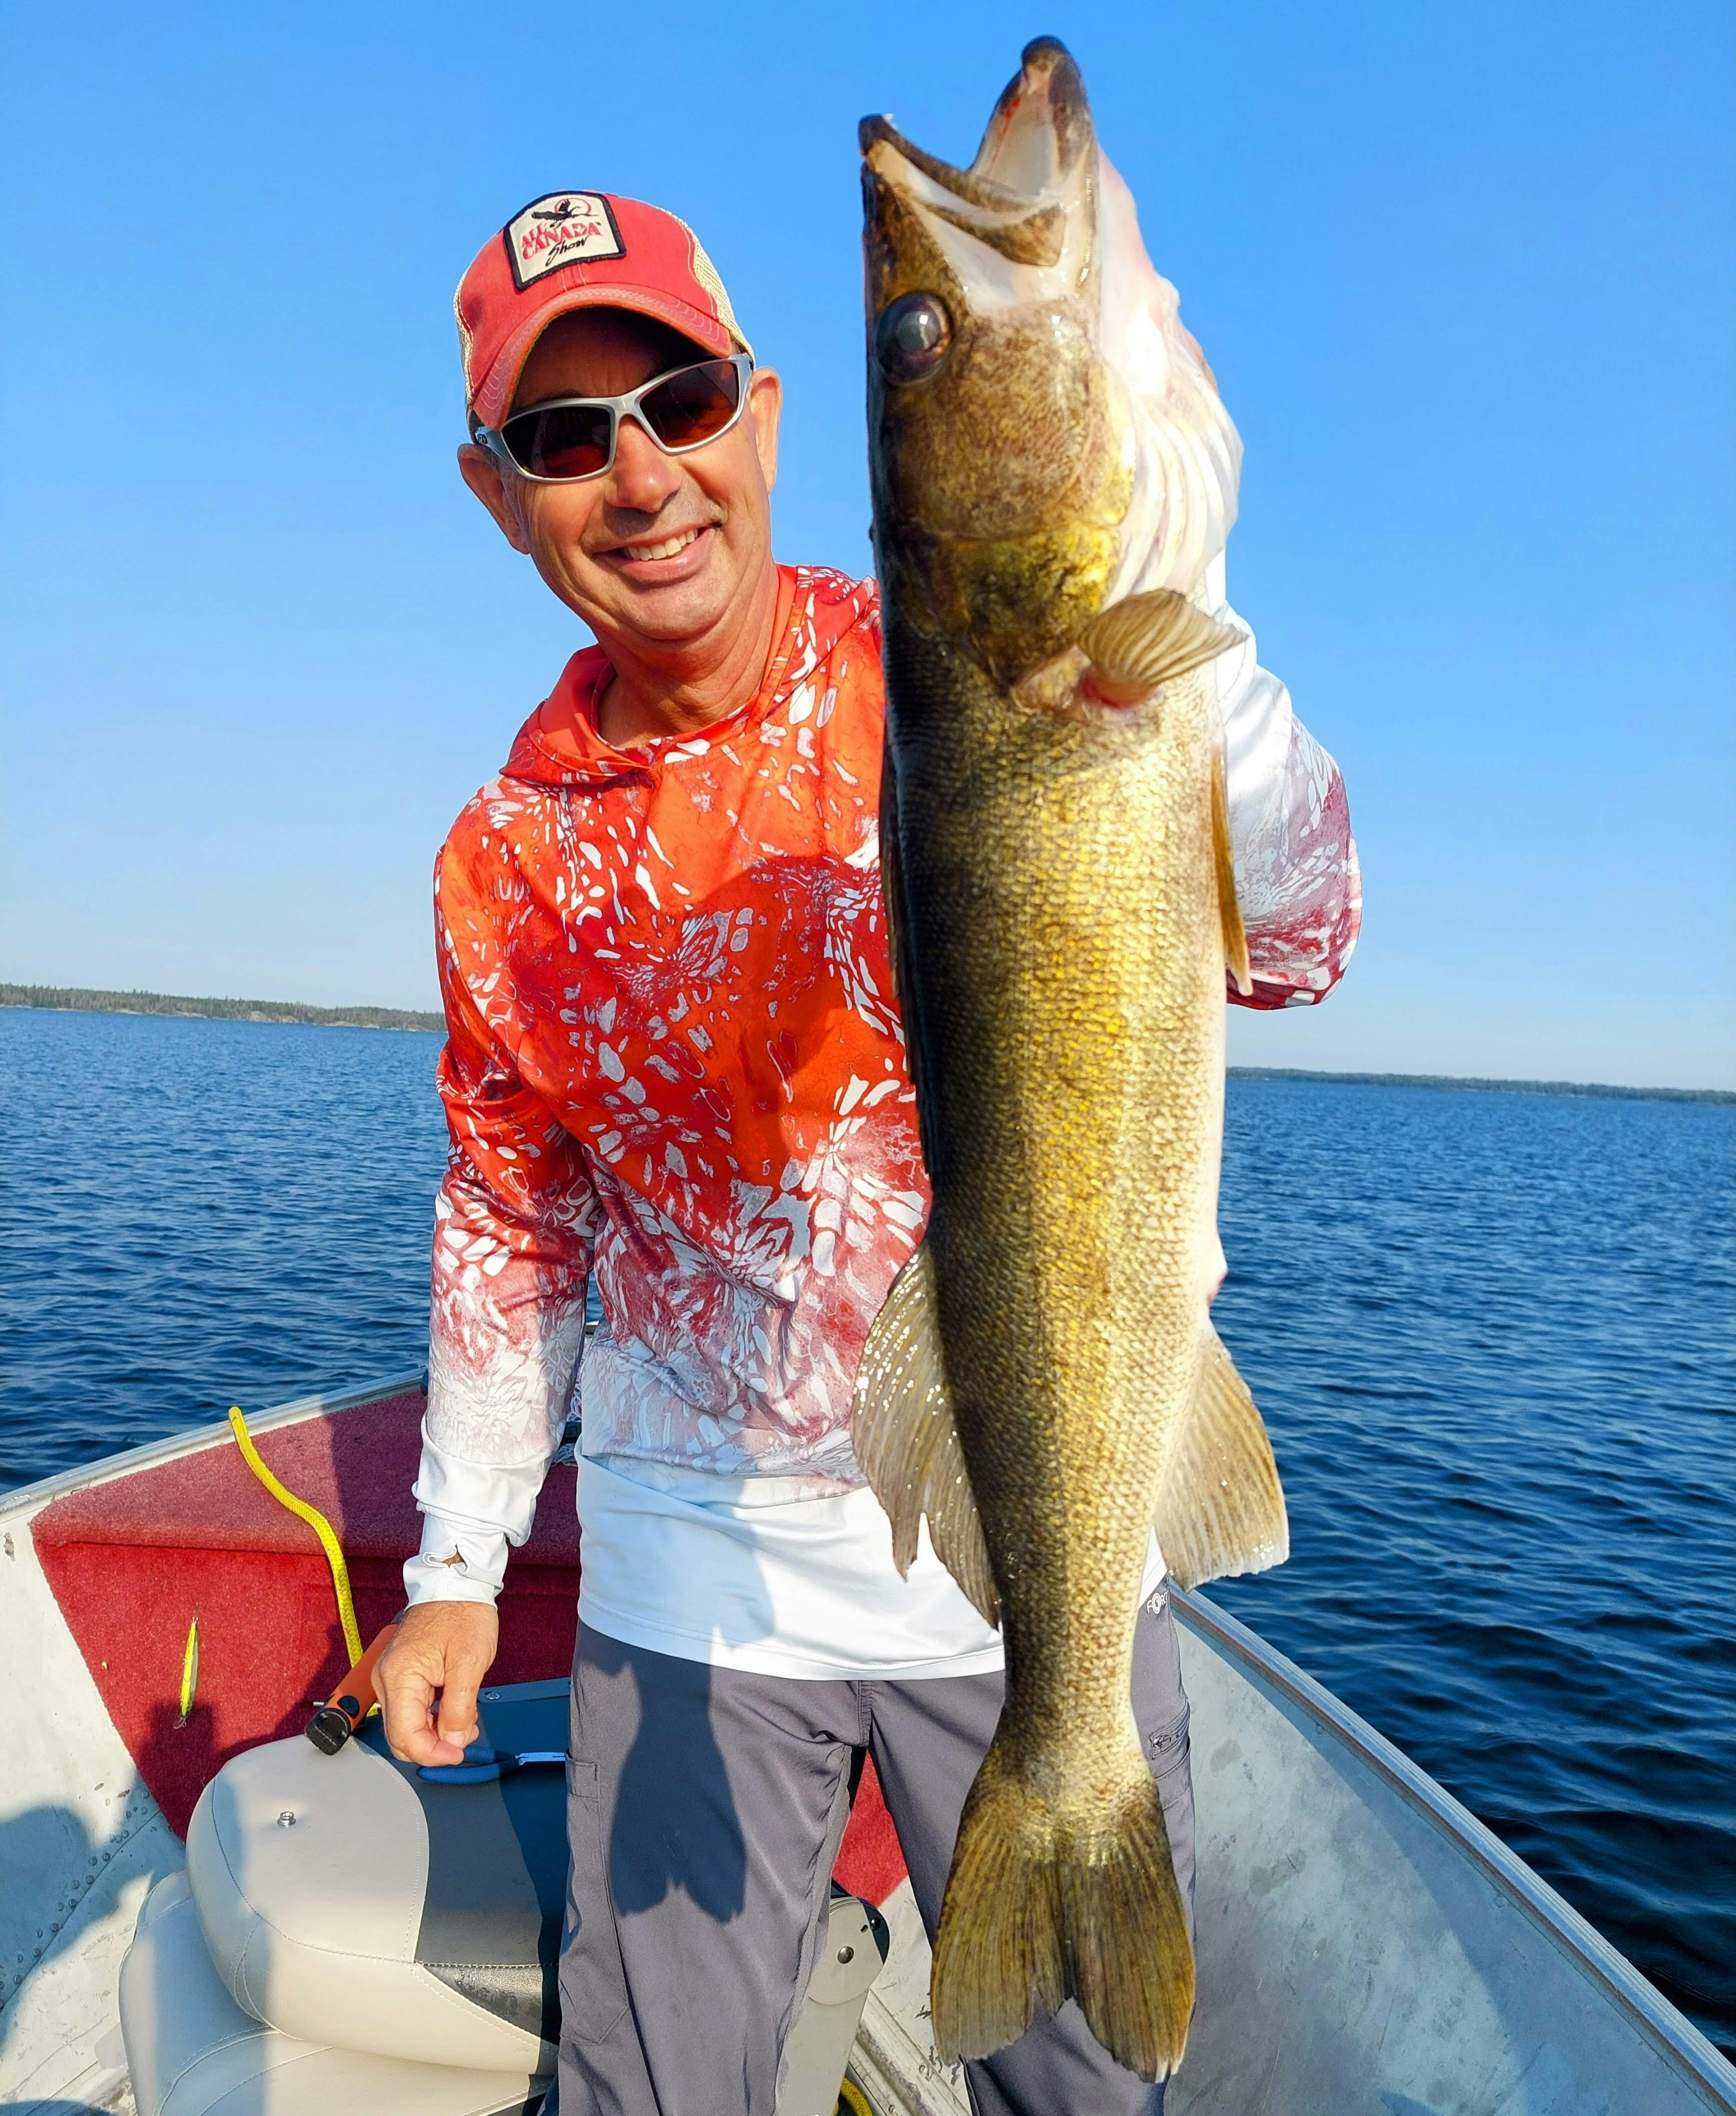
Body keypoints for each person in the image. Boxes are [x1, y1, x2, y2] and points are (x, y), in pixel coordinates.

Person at [375, 189, 1361, 2116]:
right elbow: (514, 1216)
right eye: (566, 437)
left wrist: (1197, 607)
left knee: (1085, 2086)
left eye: (673, 397)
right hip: (686, 1575)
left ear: (759, 410)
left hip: (1027, 1564)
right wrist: (460, 1559)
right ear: (504, 493)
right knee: (649, 2091)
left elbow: (1302, 940)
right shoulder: (502, 864)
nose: (638, 473)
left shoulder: (957, 662)